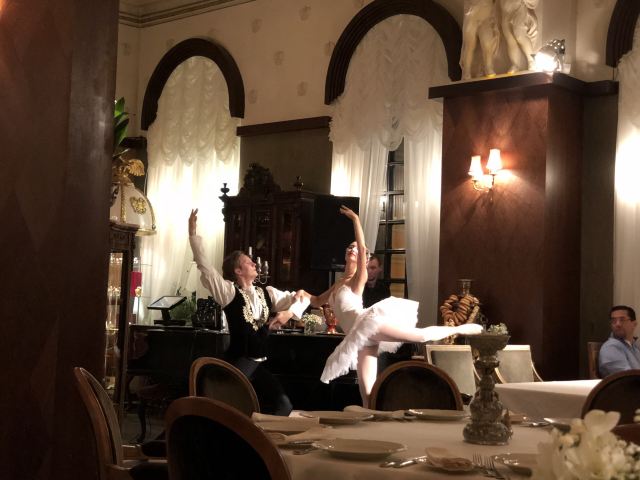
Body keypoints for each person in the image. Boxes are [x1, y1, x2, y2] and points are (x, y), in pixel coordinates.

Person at [304, 206, 483, 407]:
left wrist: (355, 220)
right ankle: (372, 422)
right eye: (349, 247)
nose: (352, 249)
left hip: (366, 325)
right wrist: (299, 295)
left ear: (364, 257)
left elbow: (362, 249)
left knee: (420, 336)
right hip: (358, 337)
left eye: (356, 248)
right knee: (367, 393)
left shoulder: (358, 279)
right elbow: (317, 301)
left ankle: (460, 329)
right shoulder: (338, 284)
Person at [188, 208, 306, 415]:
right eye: (248, 261)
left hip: (259, 364)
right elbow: (206, 267)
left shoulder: (267, 293)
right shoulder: (229, 292)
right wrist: (193, 234)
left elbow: (302, 297)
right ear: (237, 271)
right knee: (237, 409)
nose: (254, 263)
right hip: (239, 363)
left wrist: (289, 312)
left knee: (283, 405)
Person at [598, 305, 640, 377]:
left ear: (634, 324)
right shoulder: (611, 348)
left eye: (622, 320)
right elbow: (628, 378)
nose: (617, 324)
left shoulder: (635, 347)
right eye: (614, 321)